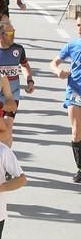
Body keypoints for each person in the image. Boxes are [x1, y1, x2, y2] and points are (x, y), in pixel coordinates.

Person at [49, 16, 81, 182]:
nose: (80, 28)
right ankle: (80, 168)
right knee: (76, 131)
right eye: (78, 25)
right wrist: (58, 71)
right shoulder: (72, 45)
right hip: (75, 91)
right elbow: (53, 63)